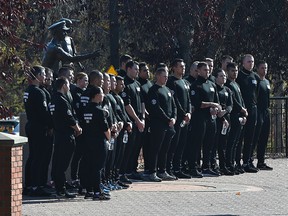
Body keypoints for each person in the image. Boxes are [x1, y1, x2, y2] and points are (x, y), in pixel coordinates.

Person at [50, 76, 82, 198]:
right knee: (62, 165)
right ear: (64, 85)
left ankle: (60, 188)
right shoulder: (62, 100)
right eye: (68, 84)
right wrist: (77, 128)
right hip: (66, 136)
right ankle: (61, 189)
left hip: (58, 135)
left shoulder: (53, 99)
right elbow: (69, 118)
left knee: (58, 164)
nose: (69, 87)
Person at [23, 65, 53, 196]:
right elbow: (44, 112)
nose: (45, 77)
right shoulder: (38, 92)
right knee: (38, 157)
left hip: (31, 125)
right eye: (43, 74)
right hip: (39, 127)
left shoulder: (28, 90)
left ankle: (29, 185)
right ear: (38, 76)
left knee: (33, 156)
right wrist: (50, 125)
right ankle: (36, 186)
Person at [189, 62, 222, 177]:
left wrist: (216, 109)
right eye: (204, 70)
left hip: (211, 119)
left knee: (209, 144)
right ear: (198, 71)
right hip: (199, 118)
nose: (207, 72)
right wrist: (211, 104)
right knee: (196, 144)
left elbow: (218, 103)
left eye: (208, 70)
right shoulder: (195, 85)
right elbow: (197, 103)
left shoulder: (212, 85)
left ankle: (206, 167)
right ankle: (193, 167)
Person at [146, 68, 176, 181]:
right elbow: (156, 108)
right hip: (158, 124)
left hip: (169, 125)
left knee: (165, 149)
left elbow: (174, 106)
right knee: (155, 148)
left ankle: (162, 170)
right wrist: (167, 119)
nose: (166, 78)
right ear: (158, 76)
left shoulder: (167, 89)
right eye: (164, 76)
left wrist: (173, 117)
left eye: (167, 76)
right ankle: (152, 171)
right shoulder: (154, 90)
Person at [82, 86, 111, 200]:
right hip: (99, 142)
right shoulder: (99, 111)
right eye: (102, 93)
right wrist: (109, 138)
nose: (103, 95)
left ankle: (89, 190)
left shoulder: (86, 109)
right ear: (97, 95)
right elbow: (105, 128)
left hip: (87, 141)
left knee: (89, 166)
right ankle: (97, 192)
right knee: (98, 167)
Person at [120, 60, 145, 183]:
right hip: (131, 121)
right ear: (128, 69)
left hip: (140, 121)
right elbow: (127, 105)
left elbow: (142, 102)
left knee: (136, 147)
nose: (137, 71)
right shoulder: (125, 84)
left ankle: (133, 170)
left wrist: (143, 118)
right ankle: (125, 171)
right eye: (135, 69)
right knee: (128, 148)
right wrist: (136, 119)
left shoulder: (137, 84)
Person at [166, 58, 191, 179]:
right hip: (178, 117)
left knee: (182, 144)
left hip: (186, 118)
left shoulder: (185, 82)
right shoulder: (172, 82)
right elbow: (175, 100)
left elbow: (189, 100)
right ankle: (169, 168)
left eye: (184, 66)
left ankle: (178, 167)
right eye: (180, 66)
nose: (183, 68)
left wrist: (189, 112)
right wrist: (183, 113)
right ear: (174, 68)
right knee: (174, 144)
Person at [236, 54, 260, 173]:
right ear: (243, 63)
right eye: (248, 61)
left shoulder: (255, 76)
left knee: (251, 136)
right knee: (240, 137)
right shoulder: (239, 76)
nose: (251, 63)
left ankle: (248, 161)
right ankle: (237, 162)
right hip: (242, 110)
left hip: (253, 109)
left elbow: (257, 93)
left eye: (252, 61)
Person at [225, 62, 248, 174]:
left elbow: (241, 99)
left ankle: (236, 163)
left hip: (240, 115)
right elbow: (233, 100)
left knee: (238, 142)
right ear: (227, 72)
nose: (235, 73)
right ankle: (229, 164)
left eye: (236, 71)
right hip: (233, 115)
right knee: (231, 142)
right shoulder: (228, 85)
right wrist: (241, 109)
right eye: (232, 71)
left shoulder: (236, 84)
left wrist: (244, 111)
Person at [211, 68, 233, 175]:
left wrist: (225, 112)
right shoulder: (214, 89)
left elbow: (230, 105)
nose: (223, 78)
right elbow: (215, 103)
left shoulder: (228, 90)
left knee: (223, 144)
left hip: (226, 119)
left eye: (224, 76)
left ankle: (223, 166)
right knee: (215, 143)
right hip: (217, 119)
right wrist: (221, 115)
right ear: (216, 78)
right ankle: (213, 165)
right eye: (221, 76)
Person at [252, 61, 273, 170]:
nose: (264, 70)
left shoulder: (267, 82)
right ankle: (249, 160)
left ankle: (261, 161)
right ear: (257, 69)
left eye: (266, 68)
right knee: (256, 137)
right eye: (262, 68)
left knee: (264, 137)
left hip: (266, 111)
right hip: (258, 111)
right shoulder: (256, 81)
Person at [70, 72, 89, 187]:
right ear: (78, 80)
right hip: (79, 127)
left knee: (84, 154)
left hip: (86, 128)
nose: (86, 82)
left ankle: (82, 177)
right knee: (77, 154)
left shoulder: (86, 93)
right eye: (84, 80)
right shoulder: (75, 93)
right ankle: (74, 178)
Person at [137, 62, 153, 175]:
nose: (147, 72)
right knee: (138, 145)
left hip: (152, 120)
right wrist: (144, 113)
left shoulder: (150, 84)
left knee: (149, 145)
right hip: (142, 118)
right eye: (144, 70)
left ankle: (149, 167)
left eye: (148, 70)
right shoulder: (138, 84)